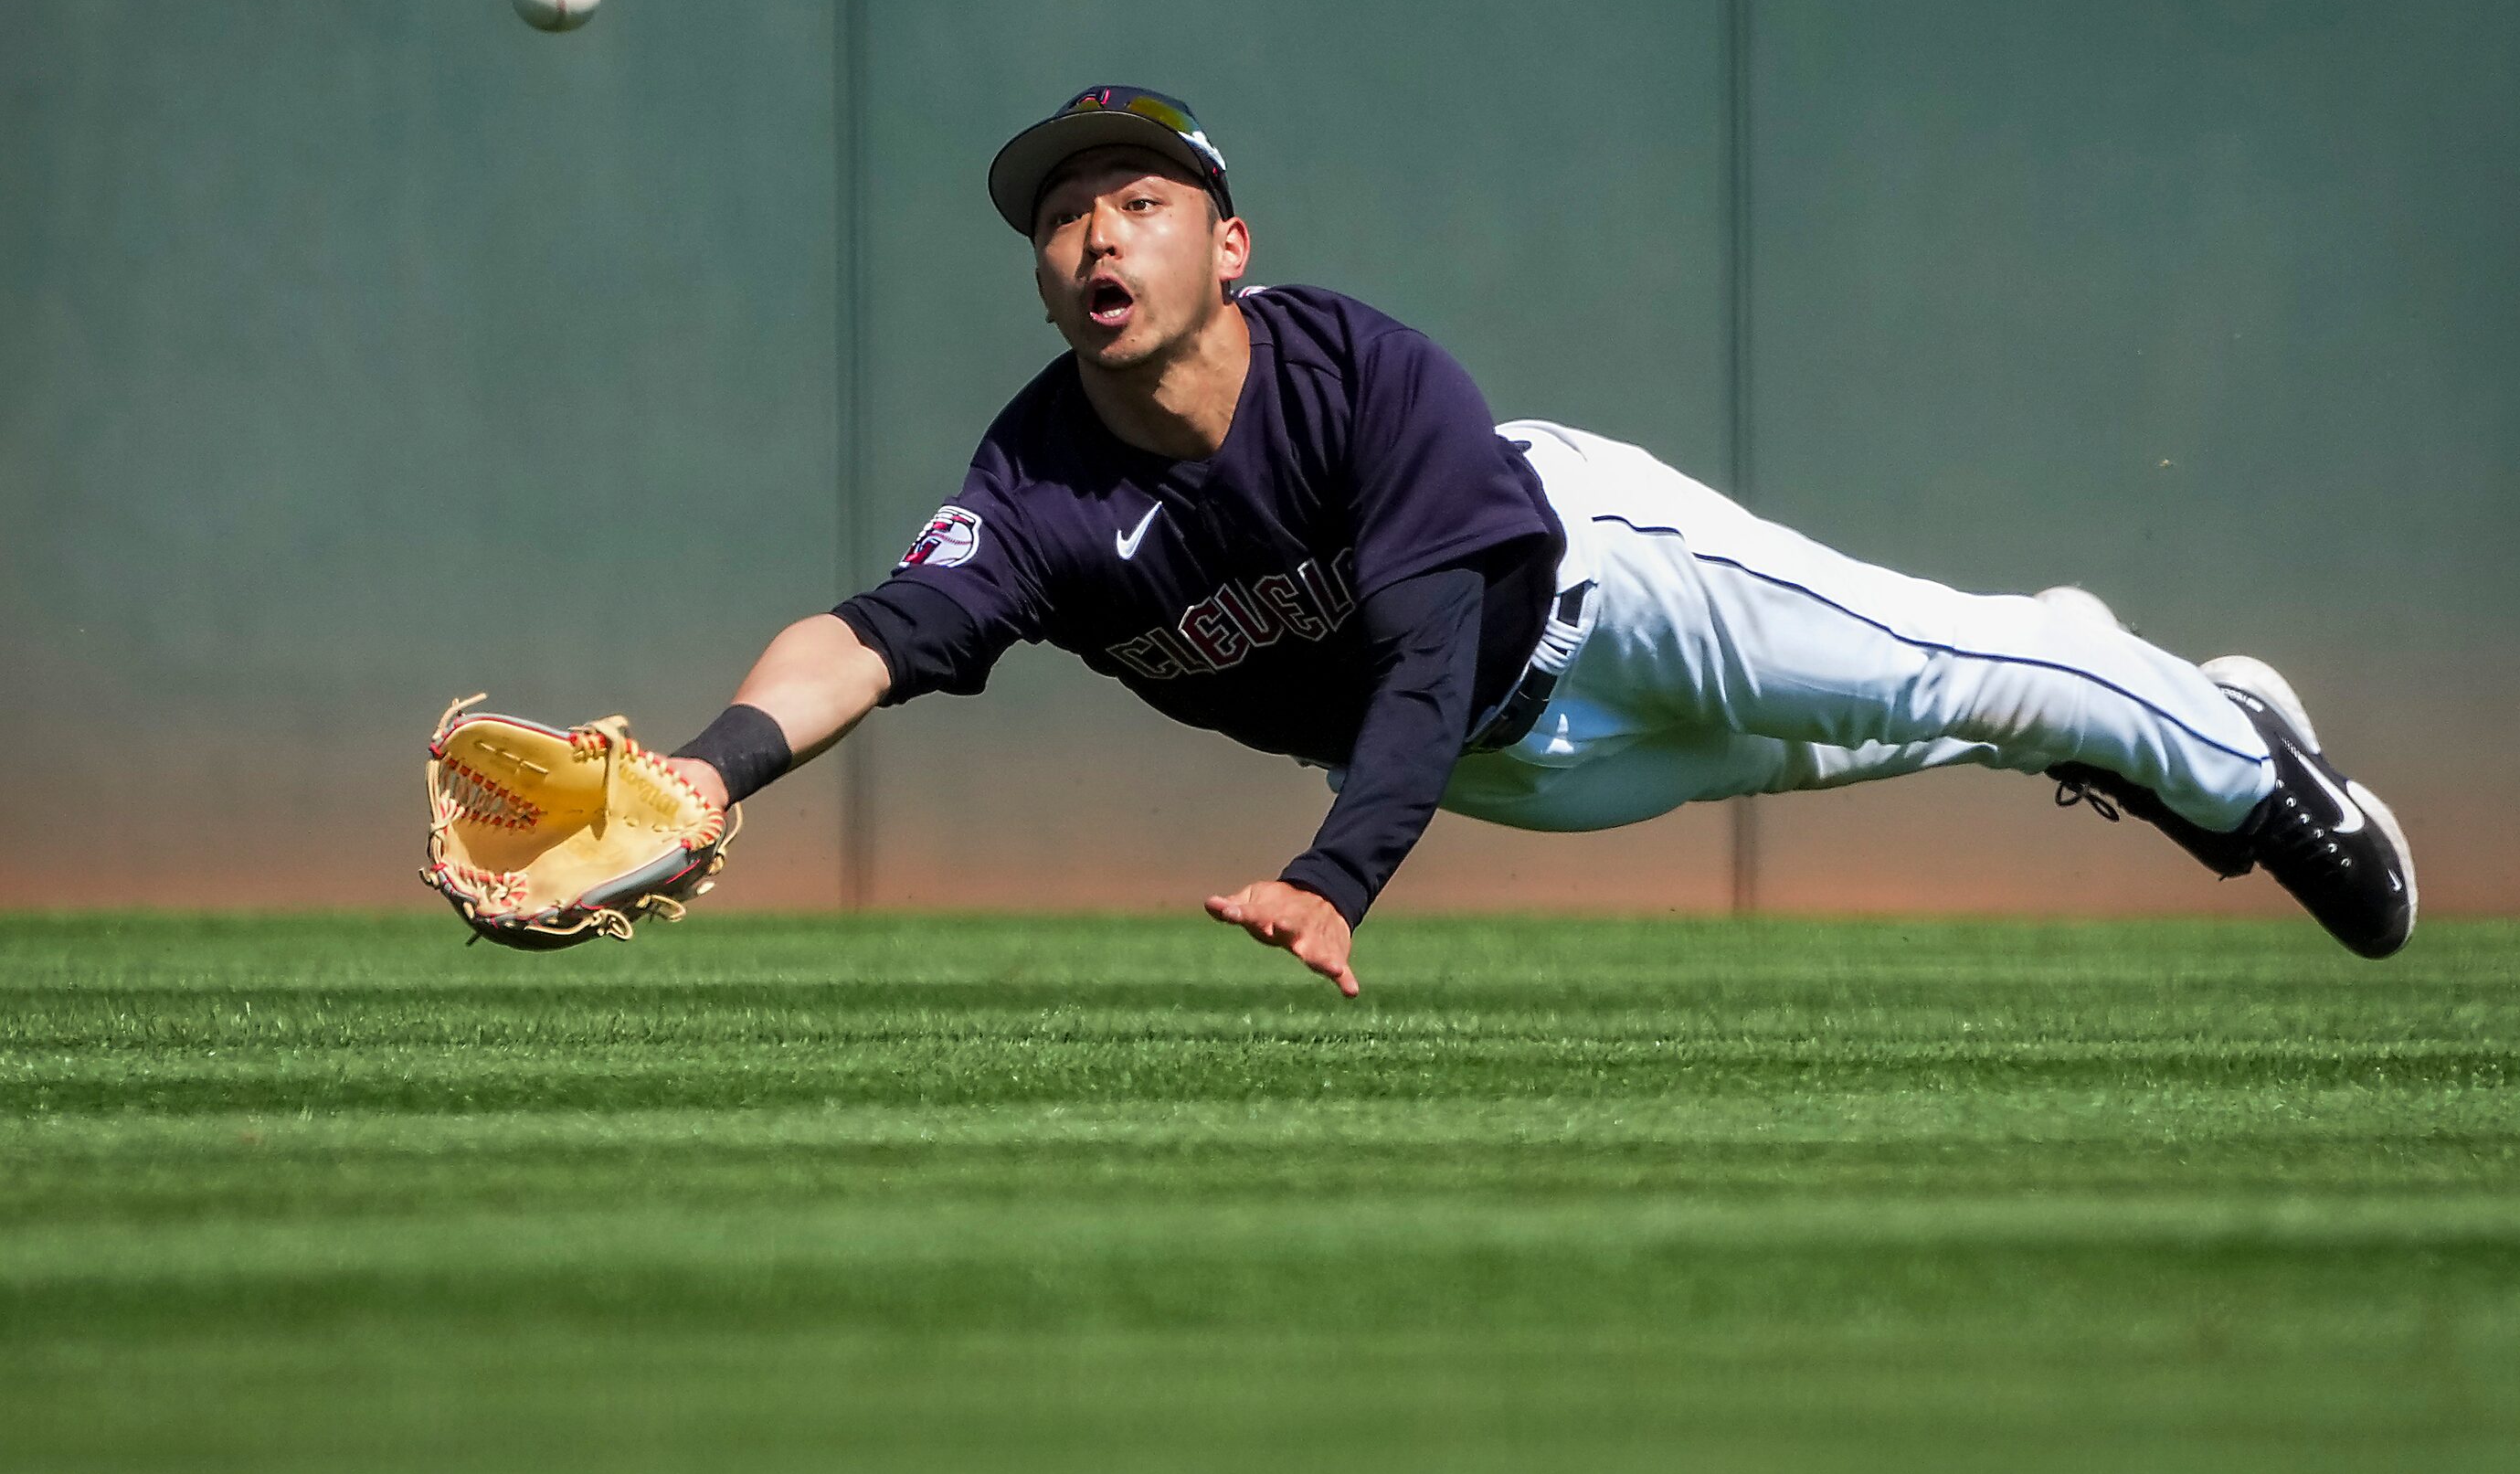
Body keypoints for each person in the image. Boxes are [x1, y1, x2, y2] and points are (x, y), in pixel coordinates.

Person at [663, 86, 2416, 995]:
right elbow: (873, 635)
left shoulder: (1357, 373)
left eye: (1138, 199)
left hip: (1614, 580)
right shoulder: (1039, 480)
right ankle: (2124, 675)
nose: (1094, 234)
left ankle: (2264, 785)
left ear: (1226, 241)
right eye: (1062, 214)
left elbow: (1425, 644)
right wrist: (702, 776)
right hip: (1508, 760)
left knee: (1937, 668)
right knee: (1927, 721)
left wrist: (1335, 873)